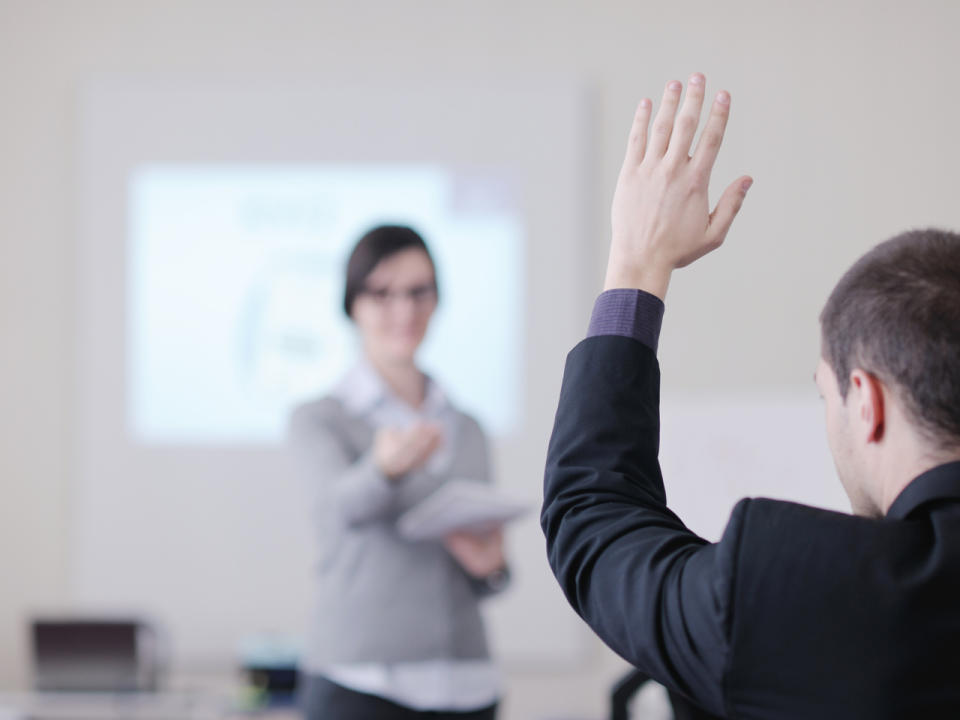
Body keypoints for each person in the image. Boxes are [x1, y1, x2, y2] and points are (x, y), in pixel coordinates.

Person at [541, 72, 960, 719]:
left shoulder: (798, 588)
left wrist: (635, 261)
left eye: (826, 397)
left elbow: (593, 519)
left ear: (866, 402)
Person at [290, 225, 509, 720]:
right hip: (361, 682)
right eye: (382, 293)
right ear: (353, 305)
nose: (404, 311)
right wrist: (382, 469)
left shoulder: (468, 426)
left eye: (418, 292)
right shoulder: (321, 419)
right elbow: (333, 513)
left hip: (466, 684)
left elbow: (490, 576)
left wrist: (492, 567)